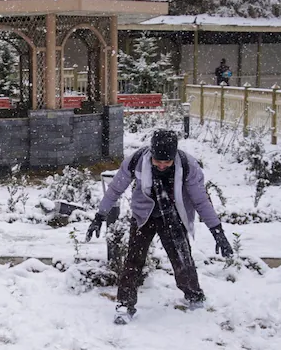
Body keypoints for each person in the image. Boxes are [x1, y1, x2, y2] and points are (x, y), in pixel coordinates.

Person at [86, 129, 232, 324]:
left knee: (182, 258)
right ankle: (124, 305)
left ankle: (194, 296)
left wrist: (217, 231)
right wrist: (99, 215)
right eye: (158, 162)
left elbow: (201, 201)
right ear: (152, 154)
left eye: (167, 162)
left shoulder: (188, 166)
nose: (162, 166)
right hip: (143, 216)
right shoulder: (137, 160)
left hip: (173, 214)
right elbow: (115, 189)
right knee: (133, 260)